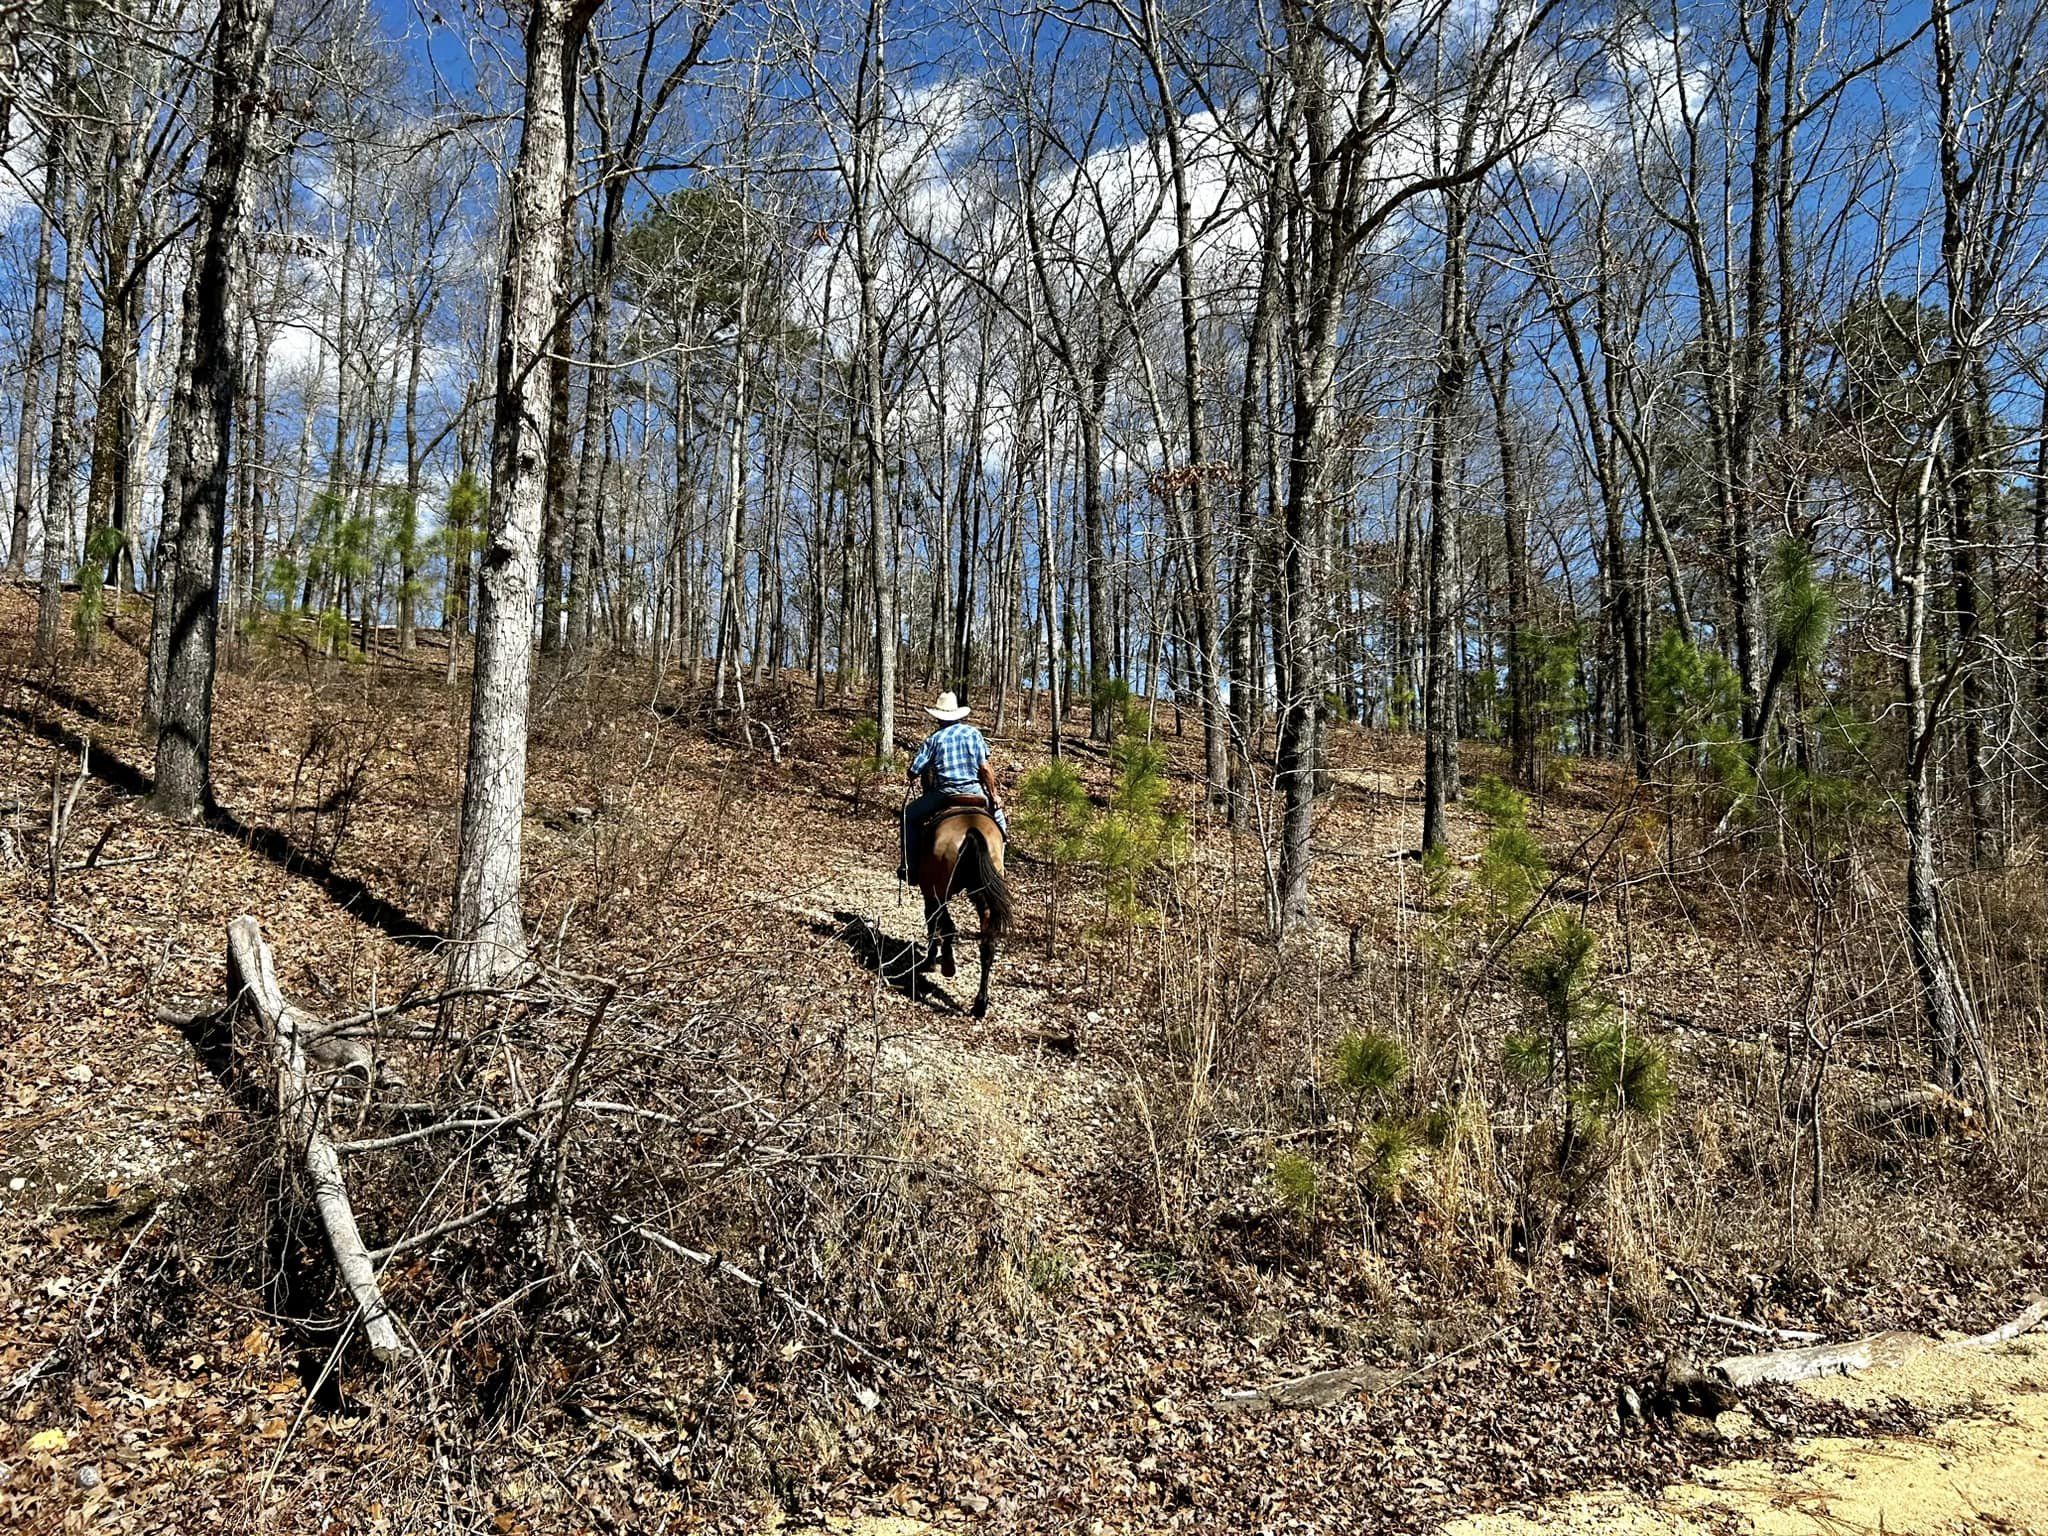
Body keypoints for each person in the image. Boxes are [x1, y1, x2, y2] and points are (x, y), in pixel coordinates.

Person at [898, 691, 1006, 880]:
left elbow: (914, 770)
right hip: (975, 790)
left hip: (944, 793)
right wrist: (994, 795)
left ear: (938, 717)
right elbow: (986, 769)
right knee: (1000, 820)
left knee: (908, 815)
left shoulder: (934, 739)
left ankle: (910, 866)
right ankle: (1001, 866)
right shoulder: (973, 734)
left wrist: (912, 772)